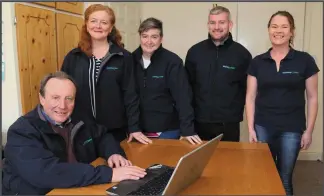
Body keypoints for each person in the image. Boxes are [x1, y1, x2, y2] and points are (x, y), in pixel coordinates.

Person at [2, 72, 146, 195]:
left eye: (68, 98)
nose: (62, 106)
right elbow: (47, 173)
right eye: (55, 98)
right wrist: (110, 174)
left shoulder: (79, 118)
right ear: (42, 98)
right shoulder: (21, 131)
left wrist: (114, 153)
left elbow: (102, 136)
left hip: (77, 187)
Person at [245, 11, 319, 195]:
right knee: (264, 175)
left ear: (292, 31)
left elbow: (312, 97)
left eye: (284, 26)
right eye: (274, 26)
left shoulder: (305, 60)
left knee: (284, 178)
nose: (279, 31)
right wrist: (251, 129)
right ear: (268, 30)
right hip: (263, 126)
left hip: (292, 129)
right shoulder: (257, 62)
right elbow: (250, 97)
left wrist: (308, 131)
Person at [61, 4, 139, 142]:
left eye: (104, 22)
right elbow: (63, 92)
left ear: (110, 28)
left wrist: (134, 128)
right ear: (86, 24)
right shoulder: (73, 57)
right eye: (93, 21)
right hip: (82, 130)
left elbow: (131, 94)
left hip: (115, 131)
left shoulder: (123, 57)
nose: (98, 26)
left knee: (116, 162)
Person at [129, 17, 202, 145]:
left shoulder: (172, 62)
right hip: (138, 132)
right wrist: (133, 127)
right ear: (140, 37)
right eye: (145, 36)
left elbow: (183, 97)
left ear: (161, 38)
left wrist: (187, 130)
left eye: (154, 37)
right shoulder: (130, 60)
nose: (149, 41)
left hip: (168, 131)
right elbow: (128, 97)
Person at [185, 6, 252, 142]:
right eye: (212, 22)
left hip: (229, 125)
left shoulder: (242, 55)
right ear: (208, 25)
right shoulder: (194, 52)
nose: (217, 27)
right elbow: (186, 89)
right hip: (199, 123)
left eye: (222, 22)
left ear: (230, 24)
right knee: (199, 163)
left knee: (228, 162)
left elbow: (249, 92)